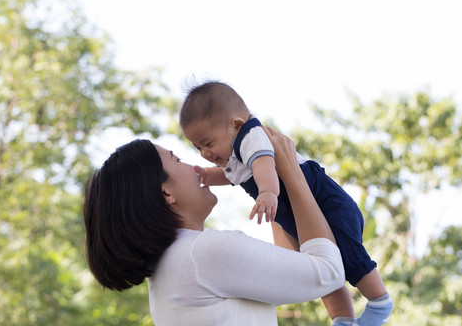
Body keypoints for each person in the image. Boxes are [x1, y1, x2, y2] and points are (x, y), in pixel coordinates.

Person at [179, 81, 394, 326]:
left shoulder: (251, 137)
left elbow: (264, 163)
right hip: (300, 214)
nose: (205, 153)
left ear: (236, 124)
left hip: (326, 204)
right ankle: (343, 319)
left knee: (350, 256)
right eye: (197, 148)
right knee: (320, 266)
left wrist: (268, 192)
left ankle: (380, 302)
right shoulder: (233, 156)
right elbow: (228, 176)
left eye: (208, 144)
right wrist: (206, 175)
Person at [83, 128, 345, 326]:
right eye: (177, 161)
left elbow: (290, 274)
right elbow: (329, 272)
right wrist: (292, 173)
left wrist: (272, 192)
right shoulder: (202, 253)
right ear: (166, 194)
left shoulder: (175, 265)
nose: (195, 167)